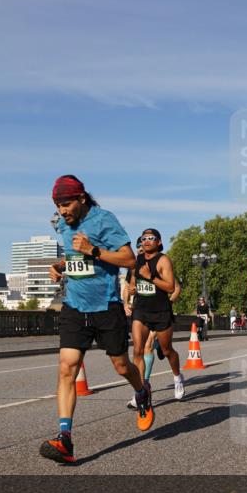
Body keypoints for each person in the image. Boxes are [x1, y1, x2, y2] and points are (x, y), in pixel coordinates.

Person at [42, 174, 151, 464]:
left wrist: (93, 250)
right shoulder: (63, 225)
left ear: (81, 198)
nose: (62, 211)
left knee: (121, 365)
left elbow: (130, 260)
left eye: (66, 204)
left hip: (106, 307)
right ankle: (64, 438)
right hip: (74, 307)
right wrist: (59, 266)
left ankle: (141, 391)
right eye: (57, 205)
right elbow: (74, 257)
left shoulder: (105, 220)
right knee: (67, 368)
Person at [126, 229, 185, 409]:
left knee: (167, 350)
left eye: (151, 238)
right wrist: (132, 290)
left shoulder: (163, 260)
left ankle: (177, 377)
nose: (147, 241)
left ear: (158, 242)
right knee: (137, 350)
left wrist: (150, 276)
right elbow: (132, 284)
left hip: (160, 311)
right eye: (144, 238)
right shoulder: (136, 261)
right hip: (141, 310)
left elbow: (170, 287)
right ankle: (141, 390)